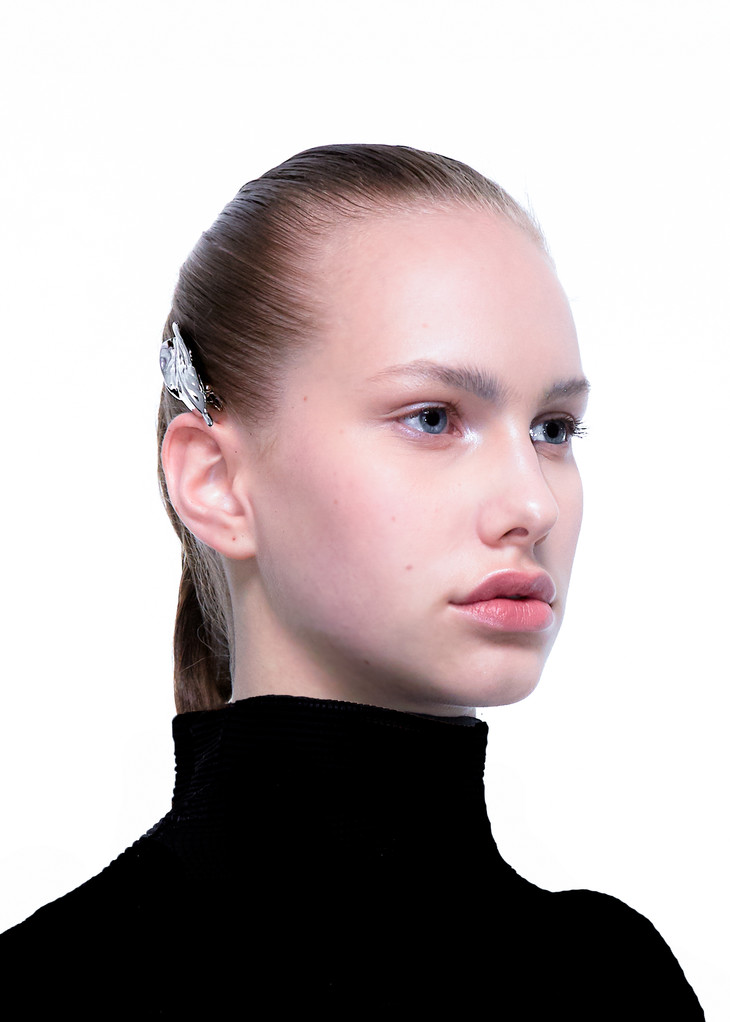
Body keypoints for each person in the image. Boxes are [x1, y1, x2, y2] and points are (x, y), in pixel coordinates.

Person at [0, 144, 704, 1018]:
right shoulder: (43, 995)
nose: (533, 503)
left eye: (555, 429)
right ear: (216, 483)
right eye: (433, 418)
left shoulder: (614, 984)